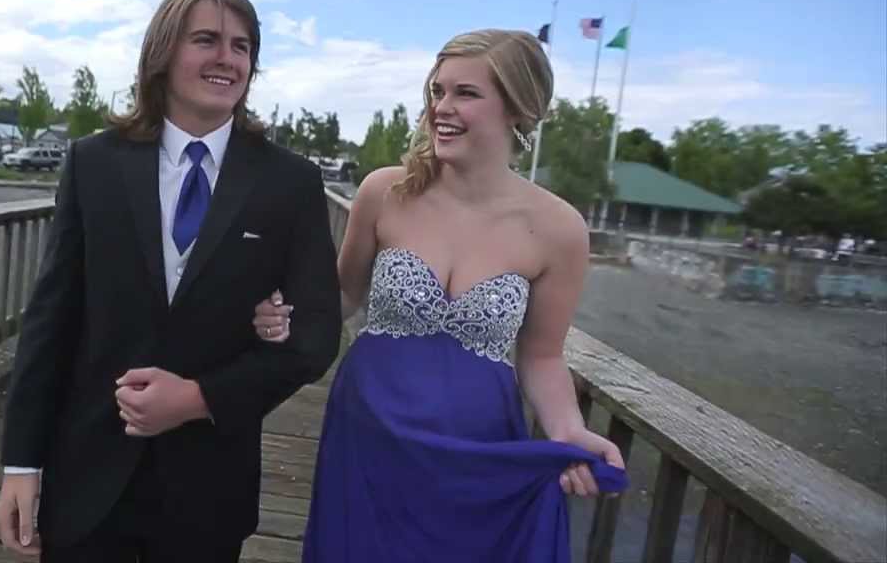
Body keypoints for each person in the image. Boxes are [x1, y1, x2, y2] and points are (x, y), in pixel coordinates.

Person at [0, 0, 343, 562]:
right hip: (86, 473)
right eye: (206, 39)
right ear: (162, 52)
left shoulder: (291, 183)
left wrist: (198, 398)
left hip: (208, 485)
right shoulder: (93, 163)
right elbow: (50, 320)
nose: (227, 58)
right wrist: (21, 463)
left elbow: (315, 338)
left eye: (241, 46)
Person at [254, 29, 628, 562]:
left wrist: (569, 432)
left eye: (465, 93)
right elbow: (342, 295)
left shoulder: (560, 229)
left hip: (479, 447)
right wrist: (283, 315)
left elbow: (542, 356)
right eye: (437, 91)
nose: (441, 108)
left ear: (519, 109)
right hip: (370, 428)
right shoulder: (384, 192)